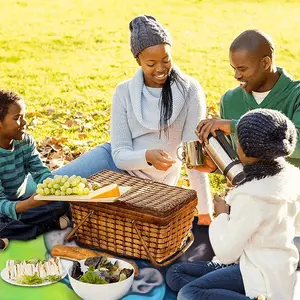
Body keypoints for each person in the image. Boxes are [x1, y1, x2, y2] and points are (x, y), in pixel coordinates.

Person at [43, 15, 213, 225]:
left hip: (152, 185)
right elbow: (119, 155)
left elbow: (192, 156)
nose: (160, 68)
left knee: (93, 217)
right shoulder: (124, 92)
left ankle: (63, 218)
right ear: (138, 61)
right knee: (47, 188)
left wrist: (205, 212)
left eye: (166, 60)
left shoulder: (189, 91)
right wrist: (147, 156)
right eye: (151, 63)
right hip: (114, 163)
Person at [166, 108, 300, 300]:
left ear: (244, 150)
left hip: (260, 275)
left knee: (188, 293)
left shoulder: (251, 196)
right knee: (175, 274)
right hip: (269, 265)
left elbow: (226, 252)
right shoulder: (291, 177)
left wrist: (222, 215)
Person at [196, 29, 300, 170]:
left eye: (242, 69)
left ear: (266, 63)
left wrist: (235, 127)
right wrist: (215, 166)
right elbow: (237, 160)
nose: (236, 75)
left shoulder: (296, 95)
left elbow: (297, 144)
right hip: (249, 189)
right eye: (234, 68)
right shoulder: (230, 100)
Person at [0, 90, 70, 247]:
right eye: (17, 118)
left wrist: (54, 189)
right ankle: (47, 226)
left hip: (20, 203)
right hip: (4, 207)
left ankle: (11, 233)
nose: (24, 122)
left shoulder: (25, 141)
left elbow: (40, 172)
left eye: (24, 116)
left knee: (62, 204)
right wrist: (31, 204)